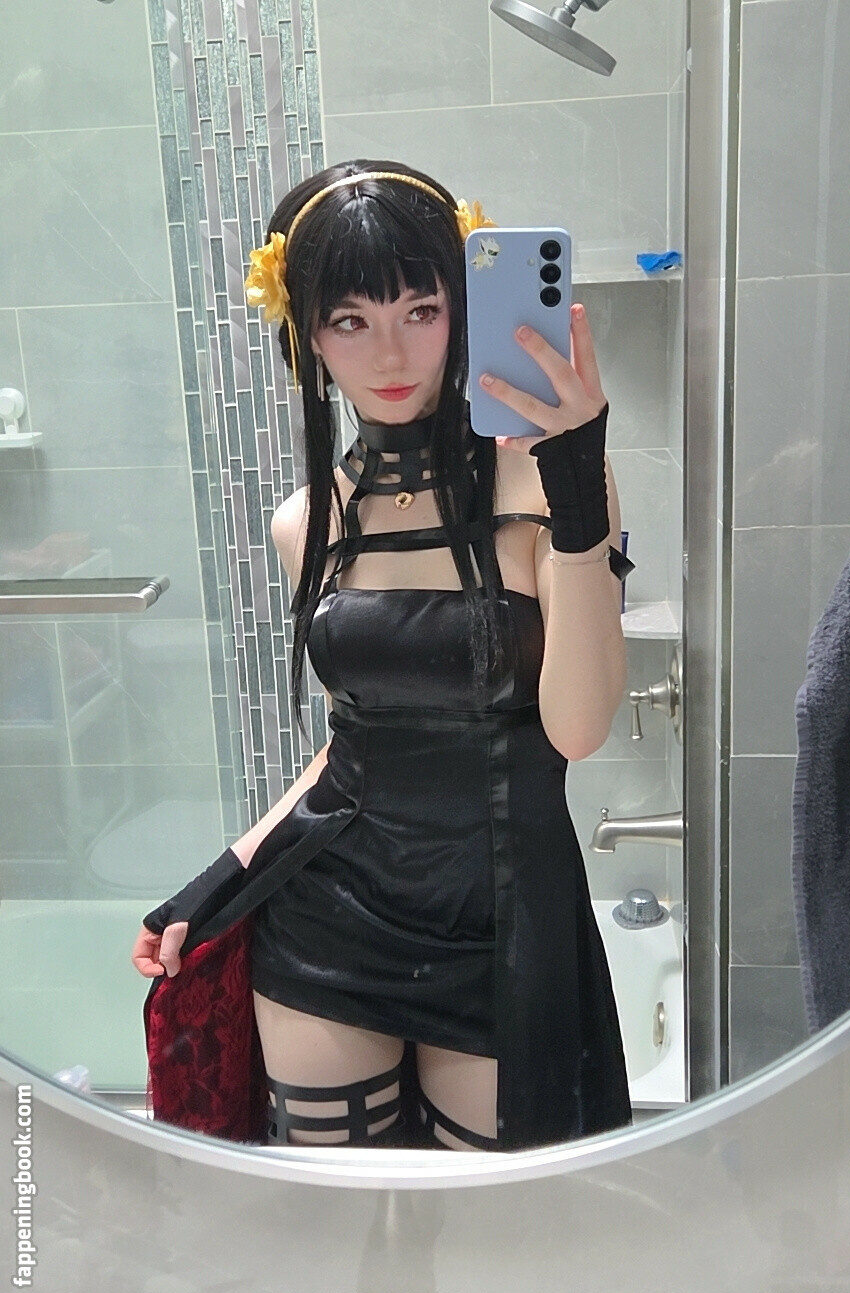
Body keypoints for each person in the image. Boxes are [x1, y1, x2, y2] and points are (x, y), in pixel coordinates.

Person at [132, 159, 634, 1152]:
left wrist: (578, 495)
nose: (391, 351)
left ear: (461, 309)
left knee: (485, 1216)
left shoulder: (553, 490)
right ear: (308, 339)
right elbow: (354, 745)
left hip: (502, 923)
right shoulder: (304, 522)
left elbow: (575, 731)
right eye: (350, 321)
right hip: (328, 919)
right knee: (342, 1214)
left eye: (420, 309)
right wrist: (227, 871)